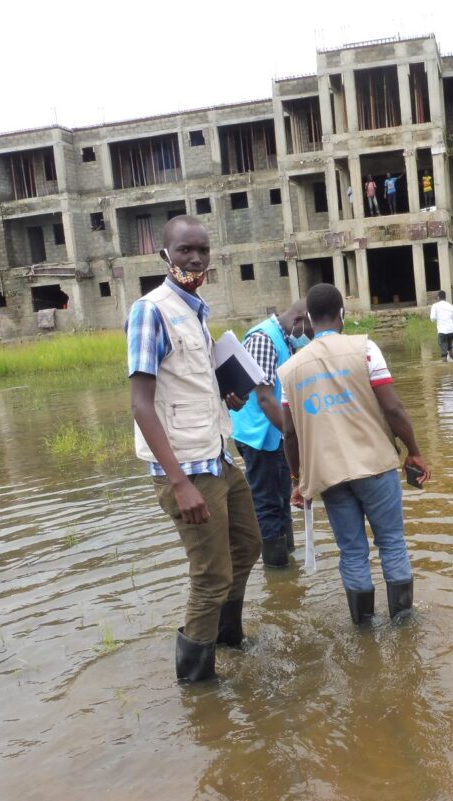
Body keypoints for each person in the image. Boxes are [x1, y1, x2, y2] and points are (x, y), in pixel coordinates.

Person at [126, 215, 262, 684]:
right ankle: (197, 682)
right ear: (166, 255)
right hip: (187, 468)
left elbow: (182, 380)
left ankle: (227, 637)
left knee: (248, 543)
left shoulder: (196, 309)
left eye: (202, 250)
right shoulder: (151, 311)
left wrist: (223, 392)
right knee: (209, 576)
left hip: (219, 454)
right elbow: (142, 405)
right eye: (185, 250)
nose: (196, 258)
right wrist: (180, 484)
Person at [279, 283, 431, 625]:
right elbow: (393, 409)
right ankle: (404, 625)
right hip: (375, 467)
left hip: (330, 477)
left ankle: (363, 629)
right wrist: (415, 452)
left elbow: (290, 434)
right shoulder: (365, 349)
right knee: (391, 542)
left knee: (352, 552)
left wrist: (296, 480)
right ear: (341, 314)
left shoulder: (290, 370)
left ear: (309, 321)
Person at [230, 300, 313, 569]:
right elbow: (265, 399)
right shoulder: (264, 339)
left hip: (275, 434)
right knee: (267, 504)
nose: (309, 337)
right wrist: (294, 435)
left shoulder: (287, 338)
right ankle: (277, 571)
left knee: (282, 498)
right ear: (300, 319)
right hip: (257, 435)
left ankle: (287, 564)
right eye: (310, 330)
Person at [429, 290, 453, 362]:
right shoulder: (450, 306)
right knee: (450, 347)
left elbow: (432, 318)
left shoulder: (435, 306)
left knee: (444, 352)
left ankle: (445, 370)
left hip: (442, 331)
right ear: (445, 297)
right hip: (451, 331)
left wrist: (438, 320)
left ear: (438, 297)